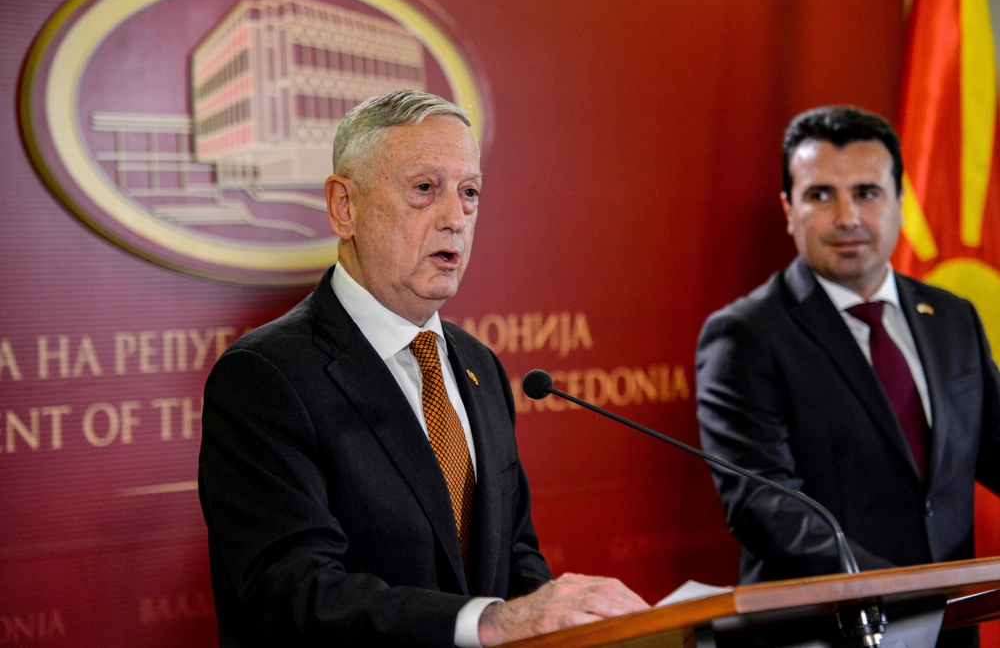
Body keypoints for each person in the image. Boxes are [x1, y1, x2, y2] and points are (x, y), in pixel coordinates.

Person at [198, 90, 648, 648]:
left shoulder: (477, 366)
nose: (455, 218)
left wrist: (565, 623)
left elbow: (514, 554)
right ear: (345, 207)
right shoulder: (266, 377)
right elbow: (292, 594)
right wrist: (488, 623)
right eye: (424, 189)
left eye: (469, 193)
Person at [696, 106, 1000, 643]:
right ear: (789, 209)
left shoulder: (953, 316)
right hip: (824, 632)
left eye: (866, 192)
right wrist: (898, 588)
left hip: (951, 630)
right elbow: (765, 507)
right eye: (820, 195)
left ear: (900, 203)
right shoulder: (745, 335)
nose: (847, 217)